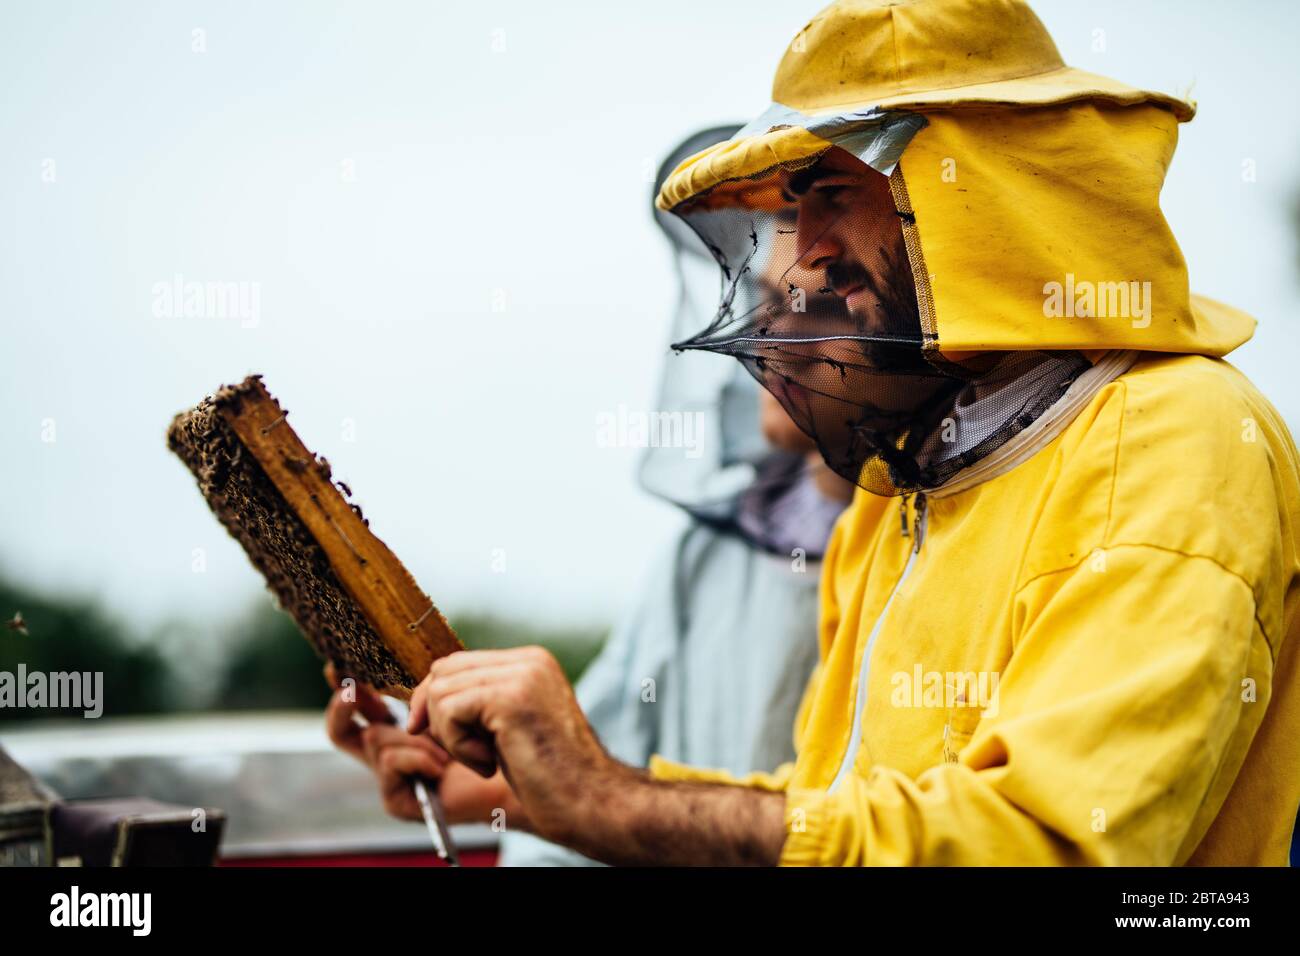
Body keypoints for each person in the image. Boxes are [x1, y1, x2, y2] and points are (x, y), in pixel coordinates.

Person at [402, 0, 1300, 866]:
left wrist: (608, 797)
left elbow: (1043, 844)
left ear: (978, 181)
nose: (805, 252)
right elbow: (833, 796)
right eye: (796, 207)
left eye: (831, 191)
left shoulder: (1178, 440)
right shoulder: (909, 475)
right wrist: (541, 782)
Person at [324, 125, 853, 865]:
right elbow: (600, 771)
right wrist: (463, 769)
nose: (762, 330)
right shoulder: (703, 557)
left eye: (810, 297)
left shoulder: (929, 539)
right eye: (762, 297)